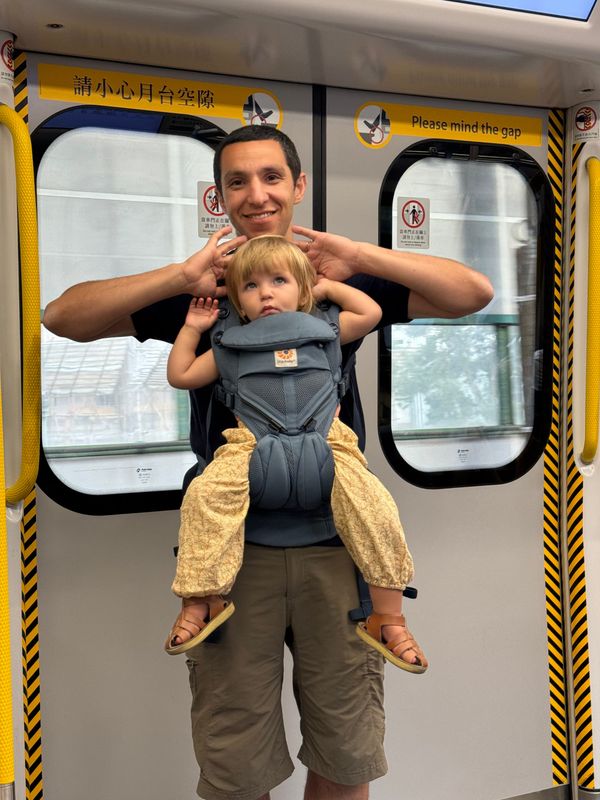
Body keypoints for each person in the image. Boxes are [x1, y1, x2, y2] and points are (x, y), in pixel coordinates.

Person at [43, 124, 493, 800]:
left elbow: (472, 292)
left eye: (272, 177)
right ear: (219, 197)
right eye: (238, 182)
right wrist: (181, 278)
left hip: (334, 550)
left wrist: (356, 255)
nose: (256, 195)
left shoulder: (333, 283)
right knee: (237, 767)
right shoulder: (205, 291)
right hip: (233, 557)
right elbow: (62, 317)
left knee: (346, 756)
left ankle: (389, 614)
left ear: (298, 185)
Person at [165, 234, 427, 674]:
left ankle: (388, 617)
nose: (266, 293)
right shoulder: (228, 344)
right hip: (250, 442)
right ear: (238, 301)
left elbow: (371, 313)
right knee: (204, 498)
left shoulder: (327, 331)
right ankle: (200, 599)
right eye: (251, 286)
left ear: (303, 290)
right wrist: (193, 328)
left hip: (328, 439)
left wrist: (327, 288)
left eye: (280, 281)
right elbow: (182, 375)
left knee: (375, 507)